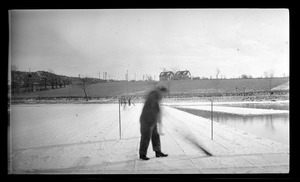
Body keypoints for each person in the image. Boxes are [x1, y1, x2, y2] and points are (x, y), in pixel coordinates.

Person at [139, 85, 168, 160]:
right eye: (163, 94)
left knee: (155, 135)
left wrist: (158, 117)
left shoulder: (156, 96)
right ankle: (142, 154)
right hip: (146, 120)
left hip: (152, 120)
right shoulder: (153, 96)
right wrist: (157, 115)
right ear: (161, 92)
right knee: (146, 136)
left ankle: (158, 151)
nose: (163, 96)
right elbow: (151, 108)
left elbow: (156, 108)